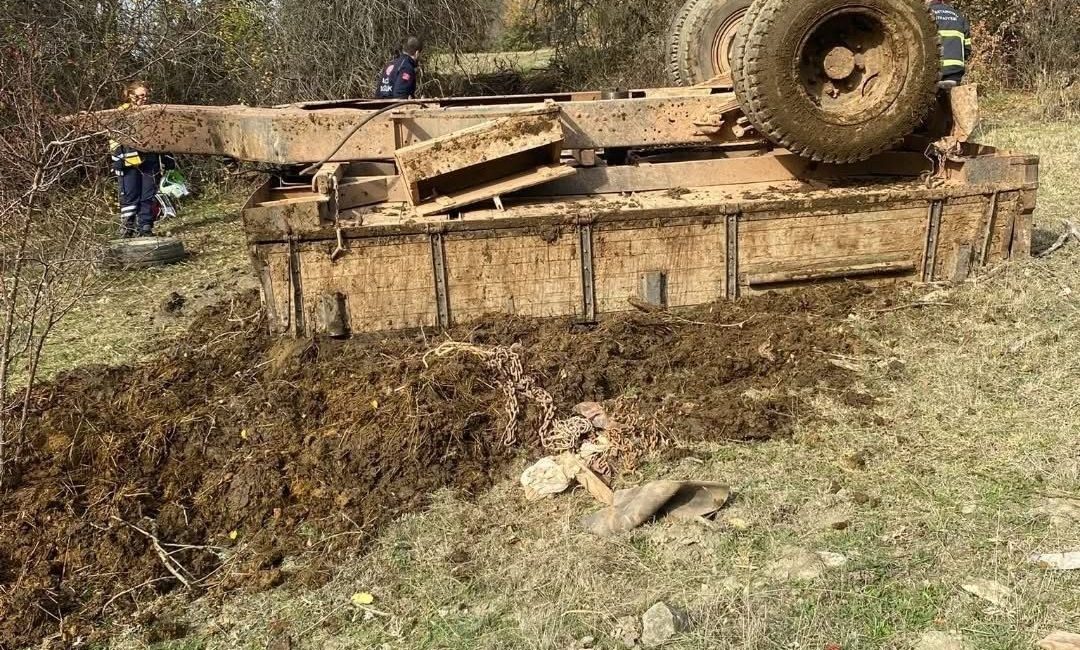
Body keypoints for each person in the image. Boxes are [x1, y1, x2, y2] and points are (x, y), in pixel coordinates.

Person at [109, 81, 160, 238]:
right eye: (141, 95)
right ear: (131, 96)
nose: (144, 98)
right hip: (128, 161)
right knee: (129, 195)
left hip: (149, 159)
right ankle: (127, 227)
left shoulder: (153, 112)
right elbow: (114, 137)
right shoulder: (121, 113)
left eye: (146, 95)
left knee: (148, 194)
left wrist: (167, 157)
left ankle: (145, 226)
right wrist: (117, 158)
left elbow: (163, 136)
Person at [928, 0, 972, 87]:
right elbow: (967, 48)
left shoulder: (925, 17)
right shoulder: (959, 16)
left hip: (933, 69)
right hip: (955, 70)